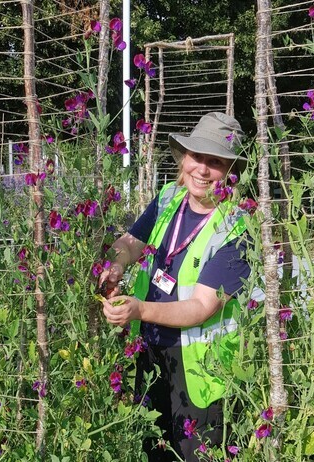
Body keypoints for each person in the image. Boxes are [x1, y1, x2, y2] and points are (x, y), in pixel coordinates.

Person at [100, 112, 251, 461]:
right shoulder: (170, 198)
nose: (202, 169)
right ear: (184, 159)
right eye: (197, 156)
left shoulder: (236, 228)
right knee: (152, 449)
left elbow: (201, 307)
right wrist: (116, 265)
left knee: (193, 454)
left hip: (200, 370)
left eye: (216, 162)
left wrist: (138, 309)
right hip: (152, 351)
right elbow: (133, 240)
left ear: (231, 173)